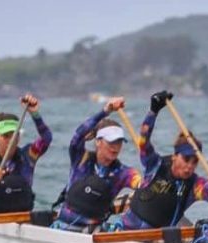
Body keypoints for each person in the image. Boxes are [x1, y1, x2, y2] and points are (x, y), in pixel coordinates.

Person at [115, 90, 208, 230]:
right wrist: (153, 111)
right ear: (175, 156)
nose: (190, 166)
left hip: (157, 239)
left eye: (195, 161)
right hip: (124, 230)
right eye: (186, 159)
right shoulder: (155, 165)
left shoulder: (195, 185)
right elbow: (144, 140)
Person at [51, 97, 142, 232]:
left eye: (119, 142)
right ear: (98, 141)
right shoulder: (81, 158)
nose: (116, 147)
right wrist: (106, 111)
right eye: (111, 142)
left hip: (95, 230)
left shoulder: (122, 173)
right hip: (64, 224)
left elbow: (141, 183)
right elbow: (78, 136)